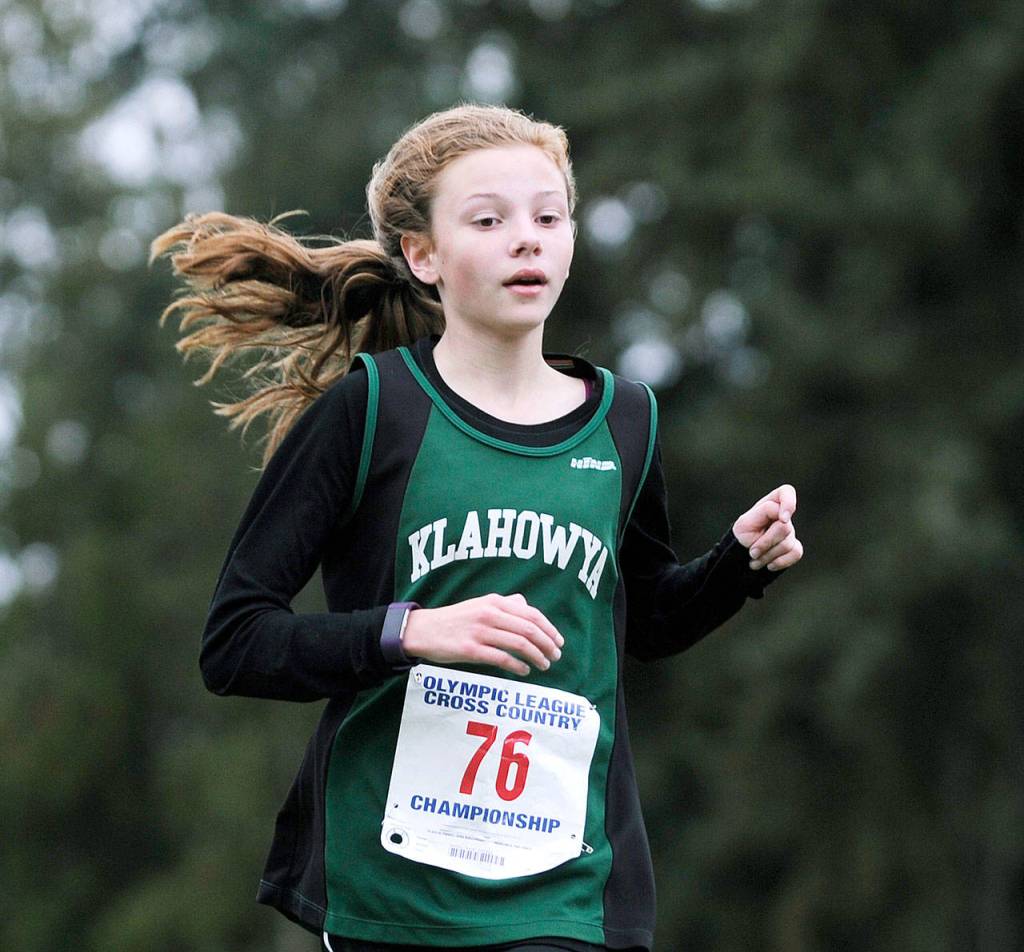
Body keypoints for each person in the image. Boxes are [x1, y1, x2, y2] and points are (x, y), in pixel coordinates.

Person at [151, 103, 803, 952]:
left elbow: (644, 621)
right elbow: (234, 644)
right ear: (422, 255)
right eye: (489, 220)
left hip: (566, 891)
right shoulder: (371, 410)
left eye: (548, 216)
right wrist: (414, 632)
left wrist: (740, 564)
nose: (526, 239)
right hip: (393, 891)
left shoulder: (626, 420)